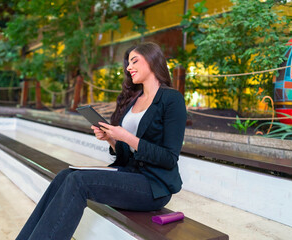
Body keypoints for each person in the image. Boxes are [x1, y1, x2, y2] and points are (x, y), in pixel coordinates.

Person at [16, 42, 187, 240]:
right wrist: (112, 140)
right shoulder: (135, 99)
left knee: (78, 181)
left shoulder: (171, 99)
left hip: (153, 185)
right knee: (65, 175)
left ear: (152, 59)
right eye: (128, 63)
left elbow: (169, 158)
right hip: (129, 174)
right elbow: (127, 154)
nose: (128, 67)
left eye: (134, 61)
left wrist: (126, 137)